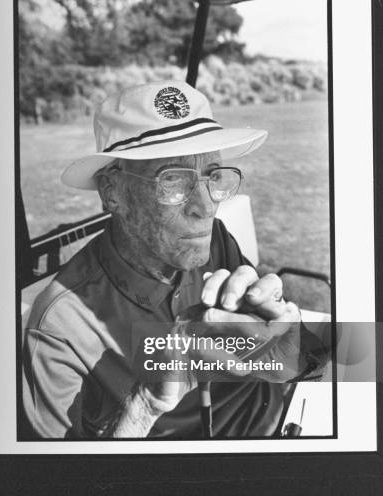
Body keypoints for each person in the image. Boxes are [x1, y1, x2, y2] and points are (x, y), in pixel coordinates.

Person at [22, 81, 327, 439]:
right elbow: (69, 489)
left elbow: (282, 357)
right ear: (112, 191)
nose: (206, 205)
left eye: (213, 175)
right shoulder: (59, 328)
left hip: (288, 419)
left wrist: (286, 343)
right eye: (173, 181)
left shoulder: (215, 242)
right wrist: (146, 405)